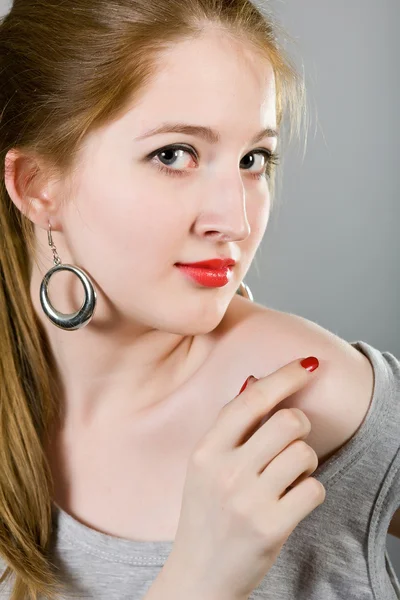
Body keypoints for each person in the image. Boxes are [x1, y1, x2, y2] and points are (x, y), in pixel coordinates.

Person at [0, 1, 399, 599]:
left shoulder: (305, 396)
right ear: (37, 185)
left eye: (252, 160)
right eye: (173, 155)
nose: (234, 220)